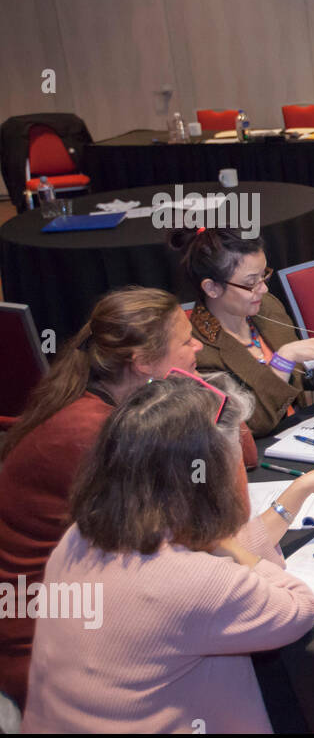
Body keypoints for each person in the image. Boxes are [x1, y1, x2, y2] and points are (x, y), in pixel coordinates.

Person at [21, 372, 314, 733]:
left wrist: (297, 492)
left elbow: (221, 556)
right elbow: (299, 608)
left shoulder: (80, 536)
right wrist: (230, 542)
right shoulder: (195, 581)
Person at [0, 288, 201, 711]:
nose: (199, 345)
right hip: (47, 640)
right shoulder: (93, 434)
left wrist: (193, 393)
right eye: (186, 340)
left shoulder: (116, 399)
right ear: (144, 364)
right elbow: (189, 526)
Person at [177, 228, 314, 436]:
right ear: (211, 288)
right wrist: (284, 359)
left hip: (301, 430)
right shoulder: (198, 350)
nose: (263, 289)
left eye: (263, 275)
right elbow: (251, 426)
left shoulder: (266, 308)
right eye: (250, 283)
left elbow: (299, 382)